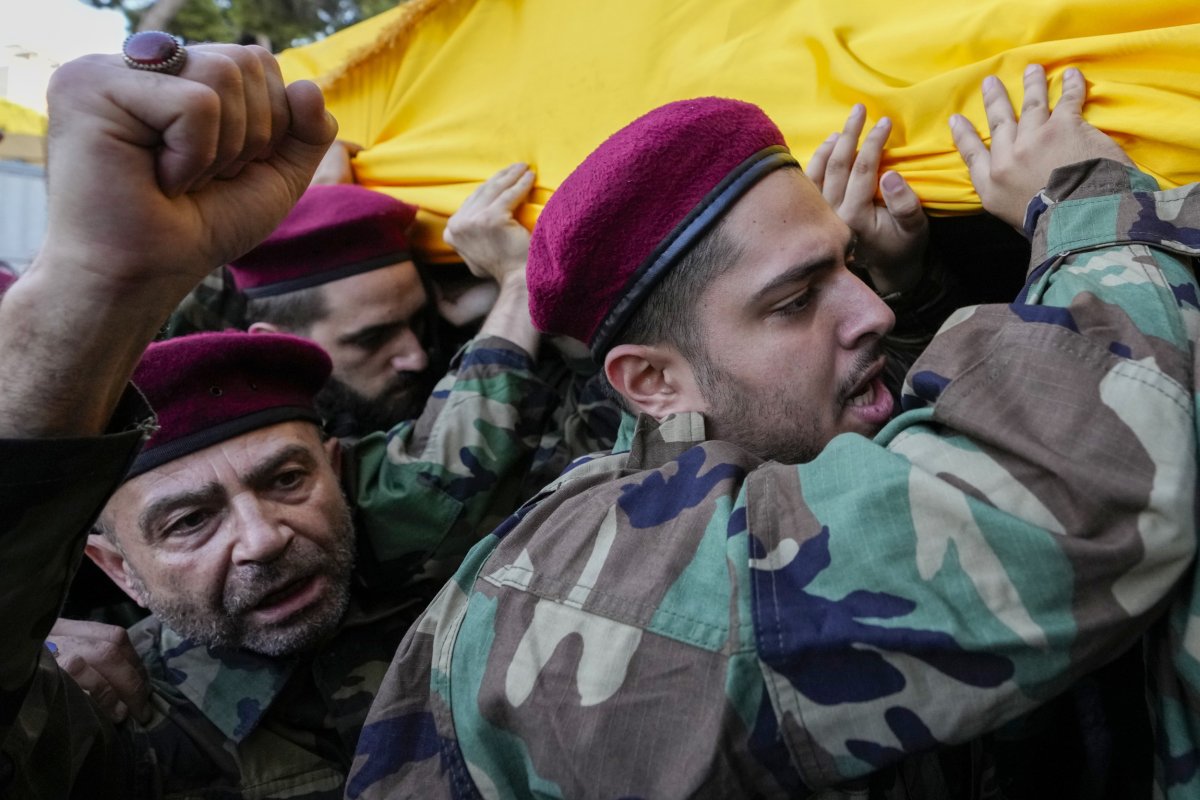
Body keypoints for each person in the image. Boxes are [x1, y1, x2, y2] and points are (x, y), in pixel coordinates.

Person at [344, 68, 1200, 799]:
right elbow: (1075, 494)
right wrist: (1091, 205)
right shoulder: (624, 579)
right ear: (653, 382)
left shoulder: (739, 455)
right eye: (795, 301)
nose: (868, 308)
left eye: (851, 267)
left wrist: (917, 287)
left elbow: (896, 463)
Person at [0, 42, 571, 799]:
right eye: (188, 523)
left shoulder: (487, 584)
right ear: (115, 569)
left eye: (288, 479)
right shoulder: (111, 727)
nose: (264, 538)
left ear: (339, 469)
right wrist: (87, 279)